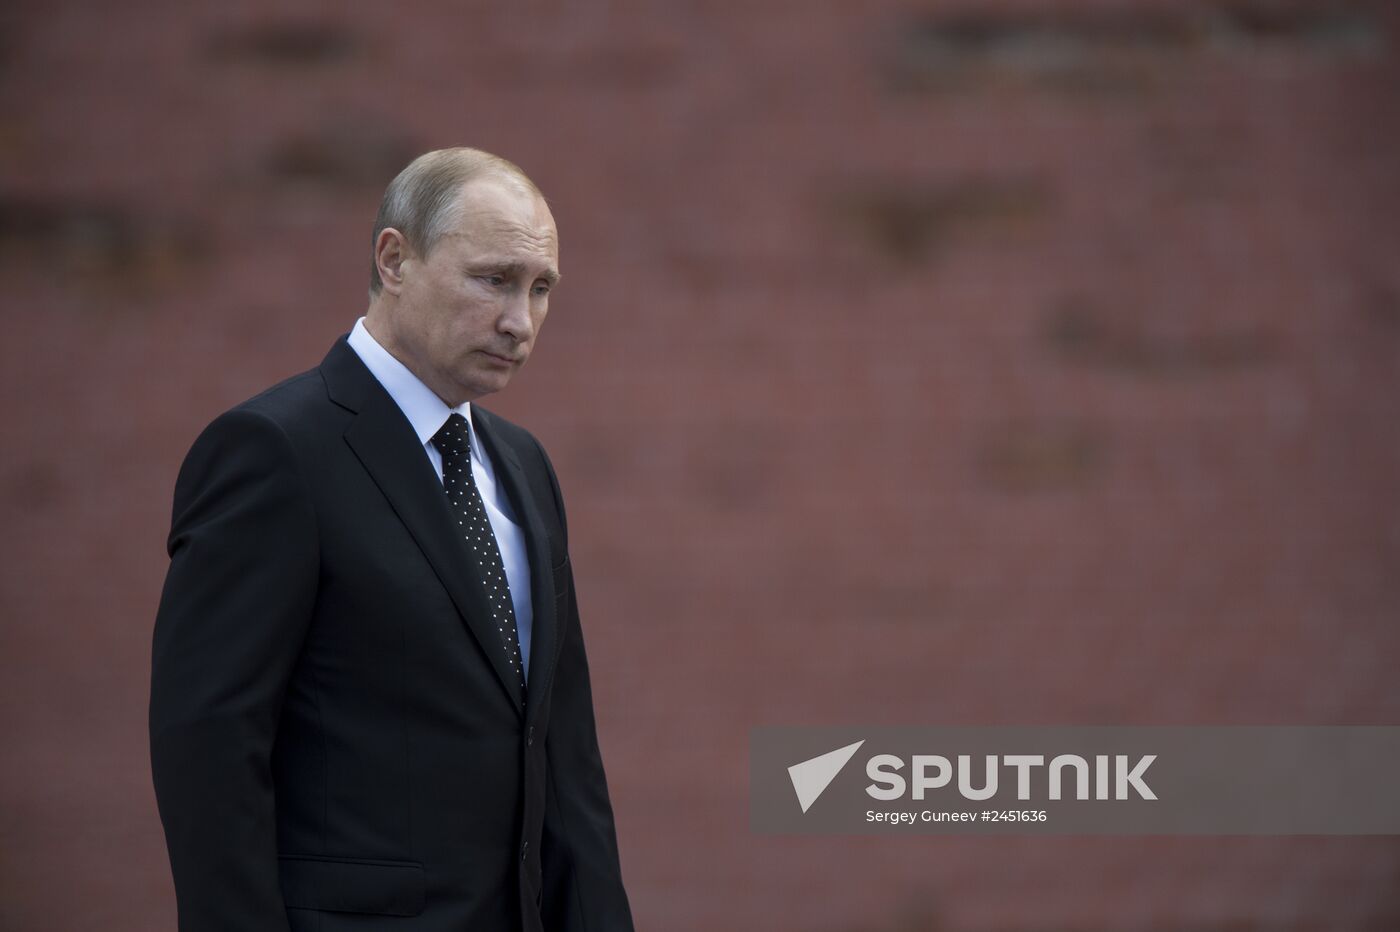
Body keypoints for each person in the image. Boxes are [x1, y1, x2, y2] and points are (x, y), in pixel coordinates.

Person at [149, 147, 635, 931]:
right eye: (494, 279)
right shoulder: (274, 452)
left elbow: (566, 761)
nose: (520, 321)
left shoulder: (524, 466)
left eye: (540, 288)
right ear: (394, 260)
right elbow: (208, 749)